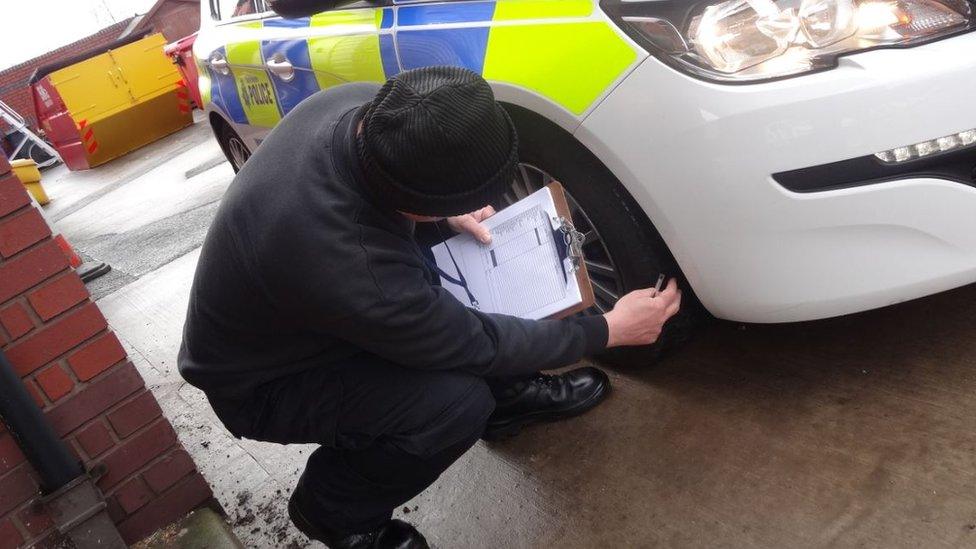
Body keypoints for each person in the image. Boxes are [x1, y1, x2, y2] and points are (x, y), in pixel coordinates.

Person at [178, 66, 681, 549]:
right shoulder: (350, 263)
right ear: (410, 194)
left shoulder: (367, 111)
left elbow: (396, 240)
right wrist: (607, 331)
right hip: (266, 381)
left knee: (455, 260)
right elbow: (473, 344)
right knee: (452, 405)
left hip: (308, 313)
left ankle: (509, 399)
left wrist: (444, 212)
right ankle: (333, 508)